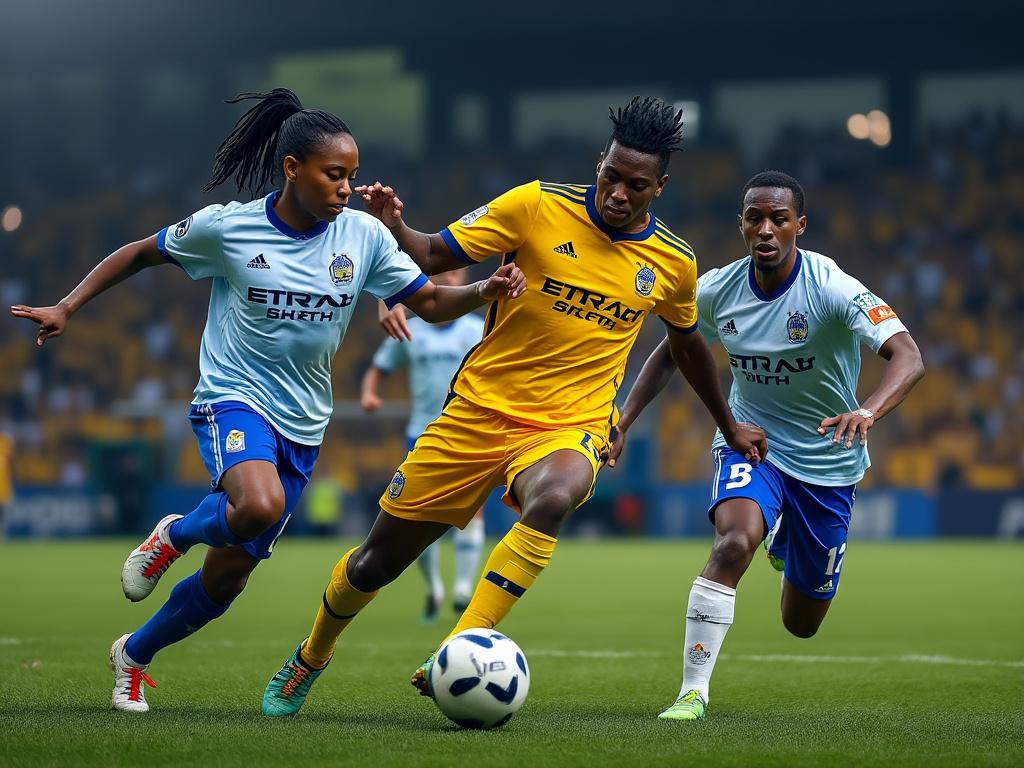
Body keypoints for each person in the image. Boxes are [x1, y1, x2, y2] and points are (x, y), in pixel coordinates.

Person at [9, 88, 524, 714]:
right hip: (232, 397)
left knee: (226, 579)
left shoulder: (362, 236)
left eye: (352, 175)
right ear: (292, 169)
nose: (346, 188)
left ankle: (134, 656)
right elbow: (142, 252)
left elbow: (432, 303)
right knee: (258, 504)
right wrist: (68, 305)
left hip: (304, 423)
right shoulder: (229, 227)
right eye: (334, 175)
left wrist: (484, 290)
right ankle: (175, 535)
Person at [261, 96, 766, 717]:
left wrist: (724, 425)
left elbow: (687, 346)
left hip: (571, 424)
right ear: (599, 162)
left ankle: (458, 645)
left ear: (659, 187)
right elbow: (433, 254)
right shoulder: (534, 205)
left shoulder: (673, 262)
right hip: (477, 411)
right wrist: (396, 226)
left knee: (554, 496)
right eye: (611, 176)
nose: (618, 194)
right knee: (374, 563)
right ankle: (311, 655)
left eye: (636, 186)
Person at [608, 170, 925, 721]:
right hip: (752, 443)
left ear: (800, 225)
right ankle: (692, 692)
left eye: (779, 219)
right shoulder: (717, 289)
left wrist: (867, 411)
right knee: (734, 543)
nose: (766, 229)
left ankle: (788, 540)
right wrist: (625, 418)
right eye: (755, 218)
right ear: (741, 225)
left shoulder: (831, 287)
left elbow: (909, 355)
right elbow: (674, 349)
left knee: (801, 624)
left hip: (827, 460)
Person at [360, 268, 487, 623]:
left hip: (468, 431)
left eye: (455, 272)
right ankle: (434, 588)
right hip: (422, 432)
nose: (448, 279)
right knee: (416, 515)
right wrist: (370, 393)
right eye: (441, 273)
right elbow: (379, 367)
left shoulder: (477, 329)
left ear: (465, 277)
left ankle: (462, 588)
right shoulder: (411, 328)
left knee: (472, 510)